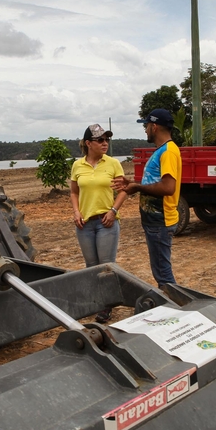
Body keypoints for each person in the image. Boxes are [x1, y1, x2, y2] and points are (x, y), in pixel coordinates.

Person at [112, 108, 182, 289]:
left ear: (155, 126)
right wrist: (134, 184)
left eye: (146, 125)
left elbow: (168, 187)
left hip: (161, 220)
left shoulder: (168, 152)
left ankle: (174, 307)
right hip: (155, 221)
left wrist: (138, 187)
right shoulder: (162, 151)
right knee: (160, 271)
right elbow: (155, 182)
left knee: (163, 274)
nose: (145, 129)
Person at [71, 123, 128, 323]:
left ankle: (107, 306)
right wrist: (76, 212)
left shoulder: (113, 164)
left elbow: (123, 189)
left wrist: (114, 211)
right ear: (88, 143)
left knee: (106, 267)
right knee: (91, 266)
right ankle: (96, 302)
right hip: (84, 224)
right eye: (100, 140)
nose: (105, 143)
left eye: (107, 140)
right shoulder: (78, 165)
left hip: (106, 222)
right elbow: (74, 191)